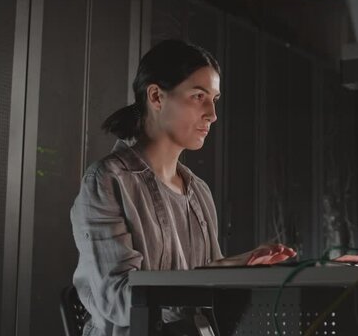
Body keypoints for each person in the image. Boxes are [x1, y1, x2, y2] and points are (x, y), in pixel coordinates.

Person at [70, 39, 296, 336]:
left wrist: (239, 265)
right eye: (198, 96)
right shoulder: (108, 181)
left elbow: (205, 288)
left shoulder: (198, 190)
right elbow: (118, 300)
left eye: (214, 99)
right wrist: (215, 274)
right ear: (156, 96)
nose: (212, 114)